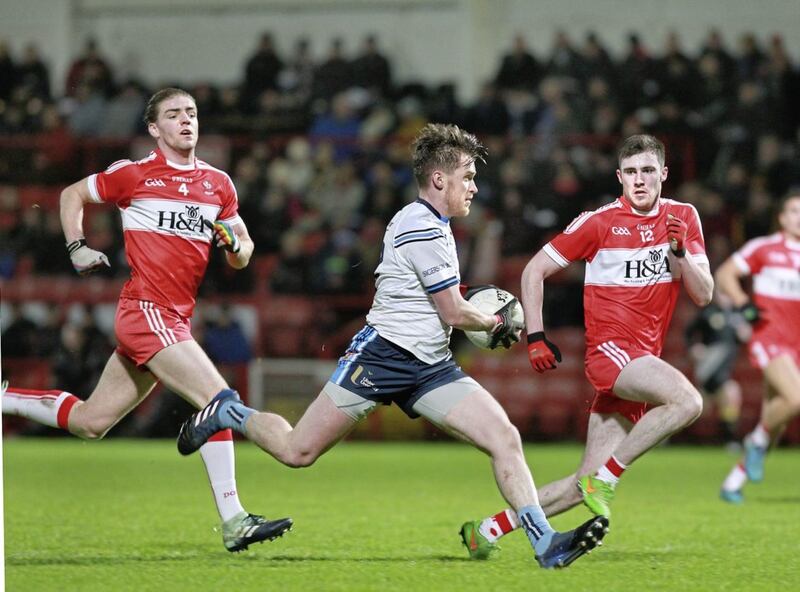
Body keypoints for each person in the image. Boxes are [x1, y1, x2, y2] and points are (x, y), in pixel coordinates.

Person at [176, 123, 609, 568]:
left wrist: (480, 317)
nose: (475, 187)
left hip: (431, 367)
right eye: (468, 177)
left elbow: (449, 310)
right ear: (439, 179)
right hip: (382, 358)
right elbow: (454, 312)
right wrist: (496, 321)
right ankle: (229, 410)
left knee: (503, 437)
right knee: (297, 452)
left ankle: (544, 543)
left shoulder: (437, 225)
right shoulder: (419, 226)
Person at [2, 87, 292, 552]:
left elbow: (245, 250)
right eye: (174, 115)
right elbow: (71, 194)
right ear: (154, 129)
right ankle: (234, 520)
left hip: (173, 319)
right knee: (217, 398)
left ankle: (7, 400)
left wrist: (235, 247)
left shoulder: (219, 184)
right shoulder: (134, 175)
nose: (186, 121)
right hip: (145, 312)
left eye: (192, 113)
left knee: (90, 422)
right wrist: (76, 247)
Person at [458, 134, 713, 558]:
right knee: (688, 402)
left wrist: (680, 252)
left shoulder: (684, 218)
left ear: (664, 174)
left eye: (648, 171)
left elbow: (703, 295)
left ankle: (485, 530)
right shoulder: (599, 222)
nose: (640, 180)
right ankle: (609, 478)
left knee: (580, 484)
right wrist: (535, 335)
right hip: (612, 355)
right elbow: (534, 271)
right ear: (619, 177)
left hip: (643, 361)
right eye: (631, 172)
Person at [718, 192, 800, 503]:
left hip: (797, 342)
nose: (799, 217)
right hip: (770, 337)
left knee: (774, 424)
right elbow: (725, 274)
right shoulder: (764, 248)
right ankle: (754, 443)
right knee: (795, 399)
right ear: (781, 218)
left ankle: (732, 484)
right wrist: (743, 304)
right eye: (793, 211)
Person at [684, 292, 748, 448]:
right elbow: (688, 332)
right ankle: (677, 438)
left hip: (724, 371)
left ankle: (729, 439)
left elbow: (746, 335)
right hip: (708, 369)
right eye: (721, 293)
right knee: (697, 408)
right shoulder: (708, 313)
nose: (723, 296)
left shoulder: (738, 315)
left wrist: (746, 333)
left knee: (731, 394)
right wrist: (693, 347)